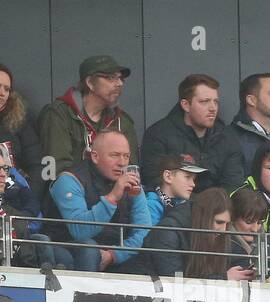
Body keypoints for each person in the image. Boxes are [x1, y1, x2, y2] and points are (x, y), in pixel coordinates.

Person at [42, 129, 150, 272]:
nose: (122, 163)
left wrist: (114, 255)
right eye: (115, 155)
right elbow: (80, 231)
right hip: (68, 256)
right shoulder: (69, 180)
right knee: (88, 248)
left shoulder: (132, 184)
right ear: (95, 157)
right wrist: (112, 198)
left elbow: (144, 231)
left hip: (117, 256)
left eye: (126, 156)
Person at [140, 74, 244, 193]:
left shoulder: (227, 137)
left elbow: (234, 186)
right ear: (186, 105)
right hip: (173, 208)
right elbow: (154, 183)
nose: (213, 108)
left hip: (219, 208)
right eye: (205, 101)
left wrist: (216, 207)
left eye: (215, 102)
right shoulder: (158, 135)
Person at [39, 55, 139, 177]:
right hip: (71, 192)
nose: (119, 83)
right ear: (90, 83)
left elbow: (131, 171)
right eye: (111, 78)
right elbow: (58, 169)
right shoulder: (59, 113)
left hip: (114, 193)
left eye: (120, 78)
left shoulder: (122, 121)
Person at [146, 186, 253, 281]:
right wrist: (224, 278)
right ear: (204, 218)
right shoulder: (168, 232)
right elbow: (174, 283)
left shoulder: (216, 235)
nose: (223, 230)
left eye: (227, 224)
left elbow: (237, 256)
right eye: (219, 222)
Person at [0, 63, 42, 189]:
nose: (2, 93)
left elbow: (36, 166)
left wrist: (30, 202)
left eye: (6, 89)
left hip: (13, 198)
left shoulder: (18, 121)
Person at [143, 154, 202, 226]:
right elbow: (152, 236)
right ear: (168, 176)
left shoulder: (187, 205)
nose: (193, 184)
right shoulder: (151, 206)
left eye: (193, 179)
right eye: (187, 177)